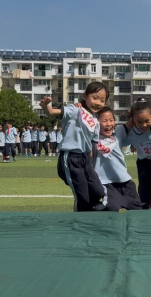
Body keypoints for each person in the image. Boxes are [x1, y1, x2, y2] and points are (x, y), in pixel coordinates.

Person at [40, 81, 108, 212]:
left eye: (102, 100)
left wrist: (90, 165)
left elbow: (90, 146)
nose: (98, 103)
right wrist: (45, 106)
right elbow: (52, 112)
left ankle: (90, 210)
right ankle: (81, 220)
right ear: (85, 96)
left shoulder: (95, 121)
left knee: (98, 190)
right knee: (81, 194)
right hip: (70, 157)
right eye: (95, 98)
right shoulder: (75, 110)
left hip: (85, 159)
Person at [94, 107, 143, 211]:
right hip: (106, 183)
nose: (109, 124)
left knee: (137, 209)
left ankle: (149, 204)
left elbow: (133, 121)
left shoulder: (118, 133)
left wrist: (133, 111)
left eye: (111, 120)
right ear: (96, 123)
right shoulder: (92, 138)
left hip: (125, 182)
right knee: (112, 209)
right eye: (104, 121)